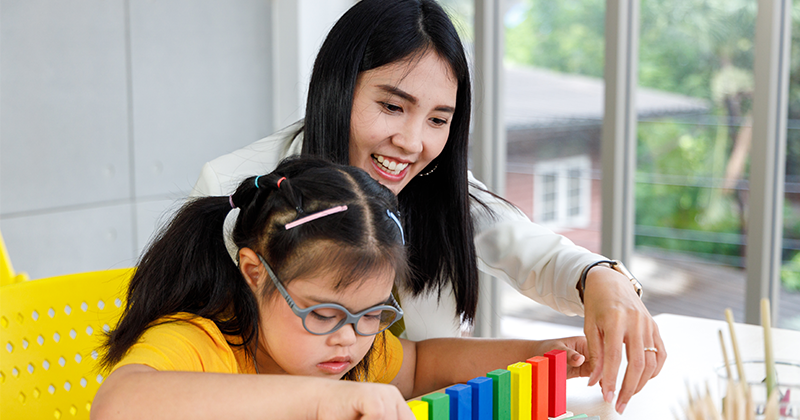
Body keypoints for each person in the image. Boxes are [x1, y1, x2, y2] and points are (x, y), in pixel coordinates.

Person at [191, 0, 665, 413]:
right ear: (337, 90)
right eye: (393, 107)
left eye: (439, 119)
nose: (412, 143)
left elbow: (534, 256)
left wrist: (603, 279)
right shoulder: (239, 188)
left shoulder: (436, 184)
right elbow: (199, 379)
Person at [91, 157, 590, 420]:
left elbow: (419, 367)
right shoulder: (201, 342)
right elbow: (118, 405)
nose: (349, 339)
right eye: (322, 313)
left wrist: (537, 352)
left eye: (372, 314)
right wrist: (319, 401)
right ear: (254, 272)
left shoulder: (346, 345)